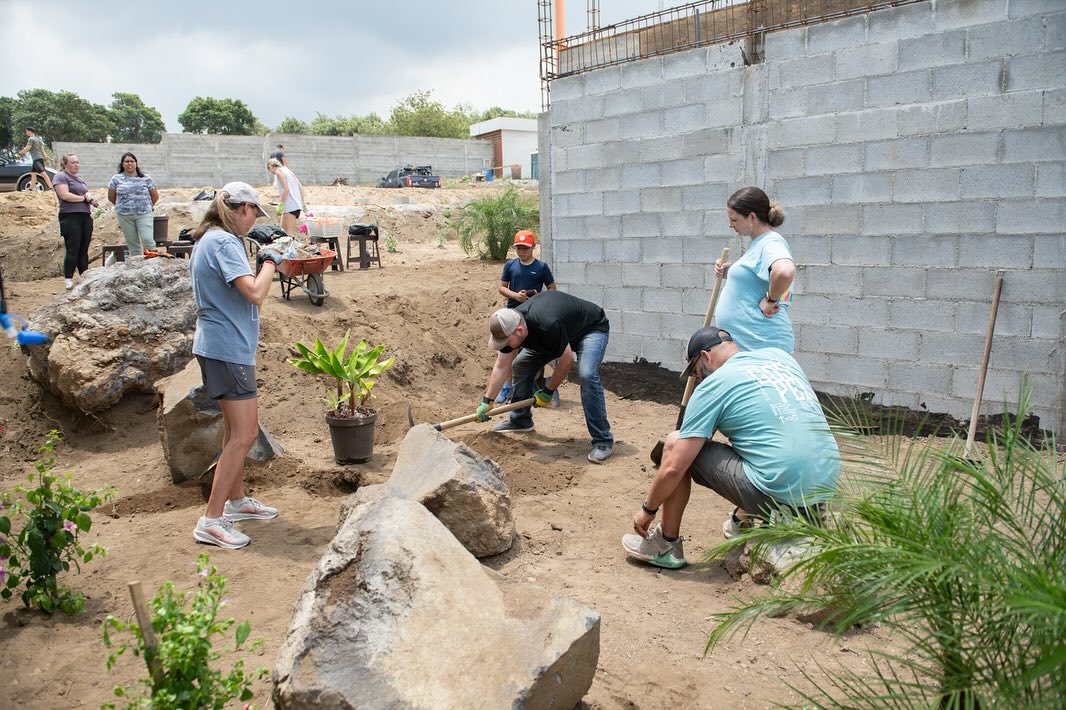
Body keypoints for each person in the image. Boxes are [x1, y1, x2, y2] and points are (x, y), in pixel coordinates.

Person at [622, 326, 839, 569]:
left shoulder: (713, 385)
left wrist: (648, 509)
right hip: (824, 488)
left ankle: (666, 544)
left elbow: (674, 468)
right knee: (760, 445)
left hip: (779, 491)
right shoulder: (781, 359)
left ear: (705, 357)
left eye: (696, 373)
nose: (699, 379)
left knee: (675, 444)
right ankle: (743, 520)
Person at [189, 181, 282, 549]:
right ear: (242, 209)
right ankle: (211, 520)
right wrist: (272, 260)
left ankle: (237, 500)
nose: (253, 220)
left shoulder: (207, 239)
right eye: (254, 213)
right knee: (245, 435)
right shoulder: (225, 242)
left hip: (220, 346)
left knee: (233, 433)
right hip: (227, 349)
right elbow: (256, 293)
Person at [479, 290, 614, 464]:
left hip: (589, 329)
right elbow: (501, 366)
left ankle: (603, 440)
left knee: (587, 374)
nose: (504, 346)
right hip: (556, 335)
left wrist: (548, 391)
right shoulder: (511, 326)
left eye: (506, 342)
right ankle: (520, 420)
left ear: (519, 331)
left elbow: (566, 361)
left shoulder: (546, 323)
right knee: (520, 365)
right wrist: (487, 400)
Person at [714, 186, 796, 352]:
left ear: (752, 217)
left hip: (761, 343)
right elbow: (760, 277)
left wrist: (770, 300)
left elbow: (784, 272)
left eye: (734, 220)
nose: (730, 225)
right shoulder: (760, 244)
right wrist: (730, 272)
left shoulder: (770, 242)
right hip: (752, 343)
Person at [495, 229, 556, 405]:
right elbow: (501, 287)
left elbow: (552, 289)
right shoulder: (510, 266)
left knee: (535, 351)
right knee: (508, 351)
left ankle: (533, 385)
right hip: (513, 314)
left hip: (534, 316)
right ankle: (507, 386)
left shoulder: (541, 267)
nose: (521, 251)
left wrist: (539, 300)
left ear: (533, 247)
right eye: (519, 248)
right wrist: (515, 295)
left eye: (525, 248)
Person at [52, 154, 97, 290]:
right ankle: (68, 279)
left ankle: (84, 276)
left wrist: (91, 200)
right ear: (65, 164)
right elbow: (65, 195)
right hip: (70, 216)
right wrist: (83, 198)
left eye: (77, 162)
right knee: (73, 248)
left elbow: (85, 196)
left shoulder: (79, 179)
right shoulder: (61, 176)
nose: (76, 165)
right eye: (73, 162)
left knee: (84, 248)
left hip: (85, 215)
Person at [107, 152, 160, 257]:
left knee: (147, 240)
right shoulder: (116, 179)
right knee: (133, 244)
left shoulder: (146, 178)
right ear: (122, 164)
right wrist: (124, 206)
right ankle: (137, 266)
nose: (129, 164)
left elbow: (155, 196)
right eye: (126, 161)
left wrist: (146, 206)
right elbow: (111, 197)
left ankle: (153, 262)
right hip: (125, 216)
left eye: (132, 161)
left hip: (144, 214)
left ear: (136, 163)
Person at [267, 158, 305, 236]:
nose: (271, 173)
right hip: (294, 206)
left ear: (271, 166)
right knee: (282, 231)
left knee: (288, 234)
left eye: (270, 170)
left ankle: (291, 248)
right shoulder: (288, 171)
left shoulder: (278, 172)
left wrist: (280, 204)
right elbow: (300, 187)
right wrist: (302, 202)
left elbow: (285, 188)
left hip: (290, 206)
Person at [17, 127, 52, 191]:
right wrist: (46, 159)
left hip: (37, 159)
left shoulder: (31, 139)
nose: (26, 133)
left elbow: (28, 148)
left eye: (26, 131)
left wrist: (19, 153)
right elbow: (42, 151)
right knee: (33, 174)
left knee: (43, 173)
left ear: (30, 131)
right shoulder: (38, 139)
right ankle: (31, 188)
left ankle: (51, 187)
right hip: (39, 159)